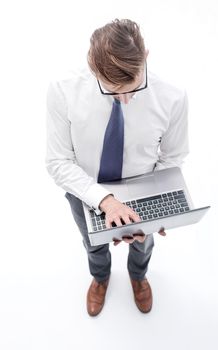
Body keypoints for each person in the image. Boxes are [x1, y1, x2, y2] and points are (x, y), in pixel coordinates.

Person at [46, 18, 189, 316]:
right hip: (84, 189)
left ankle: (138, 276)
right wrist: (106, 202)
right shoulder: (62, 92)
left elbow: (172, 158)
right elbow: (58, 161)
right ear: (93, 67)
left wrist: (155, 208)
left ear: (145, 57)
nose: (124, 99)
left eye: (134, 87)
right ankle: (100, 278)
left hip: (143, 190)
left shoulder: (173, 98)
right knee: (93, 243)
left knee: (143, 244)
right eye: (112, 91)